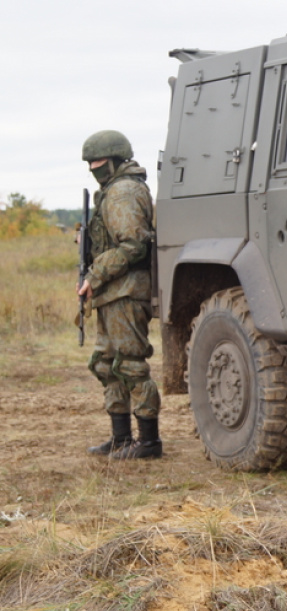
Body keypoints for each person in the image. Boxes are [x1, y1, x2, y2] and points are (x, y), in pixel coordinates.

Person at [79, 129, 162, 460]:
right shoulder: (112, 190)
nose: (93, 168)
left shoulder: (123, 192)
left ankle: (149, 442)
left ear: (114, 160)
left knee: (130, 365)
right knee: (105, 364)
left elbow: (134, 244)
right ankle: (121, 438)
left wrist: (95, 275)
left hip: (126, 292)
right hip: (111, 292)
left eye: (97, 162)